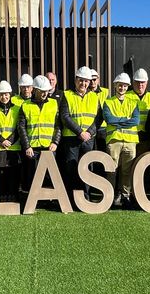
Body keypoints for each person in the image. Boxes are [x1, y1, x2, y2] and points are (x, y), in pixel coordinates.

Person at [59, 66, 102, 197]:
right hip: (71, 138)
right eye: (81, 80)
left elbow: (99, 118)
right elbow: (64, 116)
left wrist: (89, 132)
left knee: (87, 169)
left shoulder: (95, 97)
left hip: (88, 138)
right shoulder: (67, 95)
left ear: (90, 82)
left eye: (86, 81)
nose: (83, 84)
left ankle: (86, 197)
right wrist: (79, 132)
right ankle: (73, 198)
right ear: (76, 80)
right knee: (71, 168)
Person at [18, 75, 61, 192]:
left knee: (49, 175)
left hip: (49, 146)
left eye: (46, 91)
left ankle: (49, 200)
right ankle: (32, 200)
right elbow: (21, 128)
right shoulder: (25, 105)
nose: (44, 94)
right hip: (32, 147)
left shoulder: (53, 103)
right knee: (32, 175)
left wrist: (55, 142)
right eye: (41, 91)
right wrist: (27, 145)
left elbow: (58, 125)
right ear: (35, 90)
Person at [102, 72, 139, 208]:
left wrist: (118, 122)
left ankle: (125, 196)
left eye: (124, 85)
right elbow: (109, 119)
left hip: (130, 141)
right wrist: (125, 120)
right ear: (115, 86)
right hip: (114, 140)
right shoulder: (108, 102)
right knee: (112, 170)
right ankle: (110, 197)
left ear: (127, 87)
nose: (122, 88)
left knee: (127, 171)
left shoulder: (133, 102)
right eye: (120, 85)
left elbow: (135, 120)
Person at [0, 80, 22, 202]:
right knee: (0, 174)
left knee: (13, 173)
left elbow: (19, 128)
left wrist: (10, 141)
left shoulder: (17, 109)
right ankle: (2, 195)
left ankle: (13, 194)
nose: (4, 97)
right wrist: (2, 141)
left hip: (14, 148)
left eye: (6, 94)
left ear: (10, 94)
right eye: (1, 94)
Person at [89, 68, 110, 155]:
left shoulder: (105, 92)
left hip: (102, 127)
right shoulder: (85, 92)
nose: (92, 82)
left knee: (102, 152)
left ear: (98, 80)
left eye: (94, 79)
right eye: (90, 80)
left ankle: (101, 169)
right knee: (90, 152)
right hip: (89, 126)